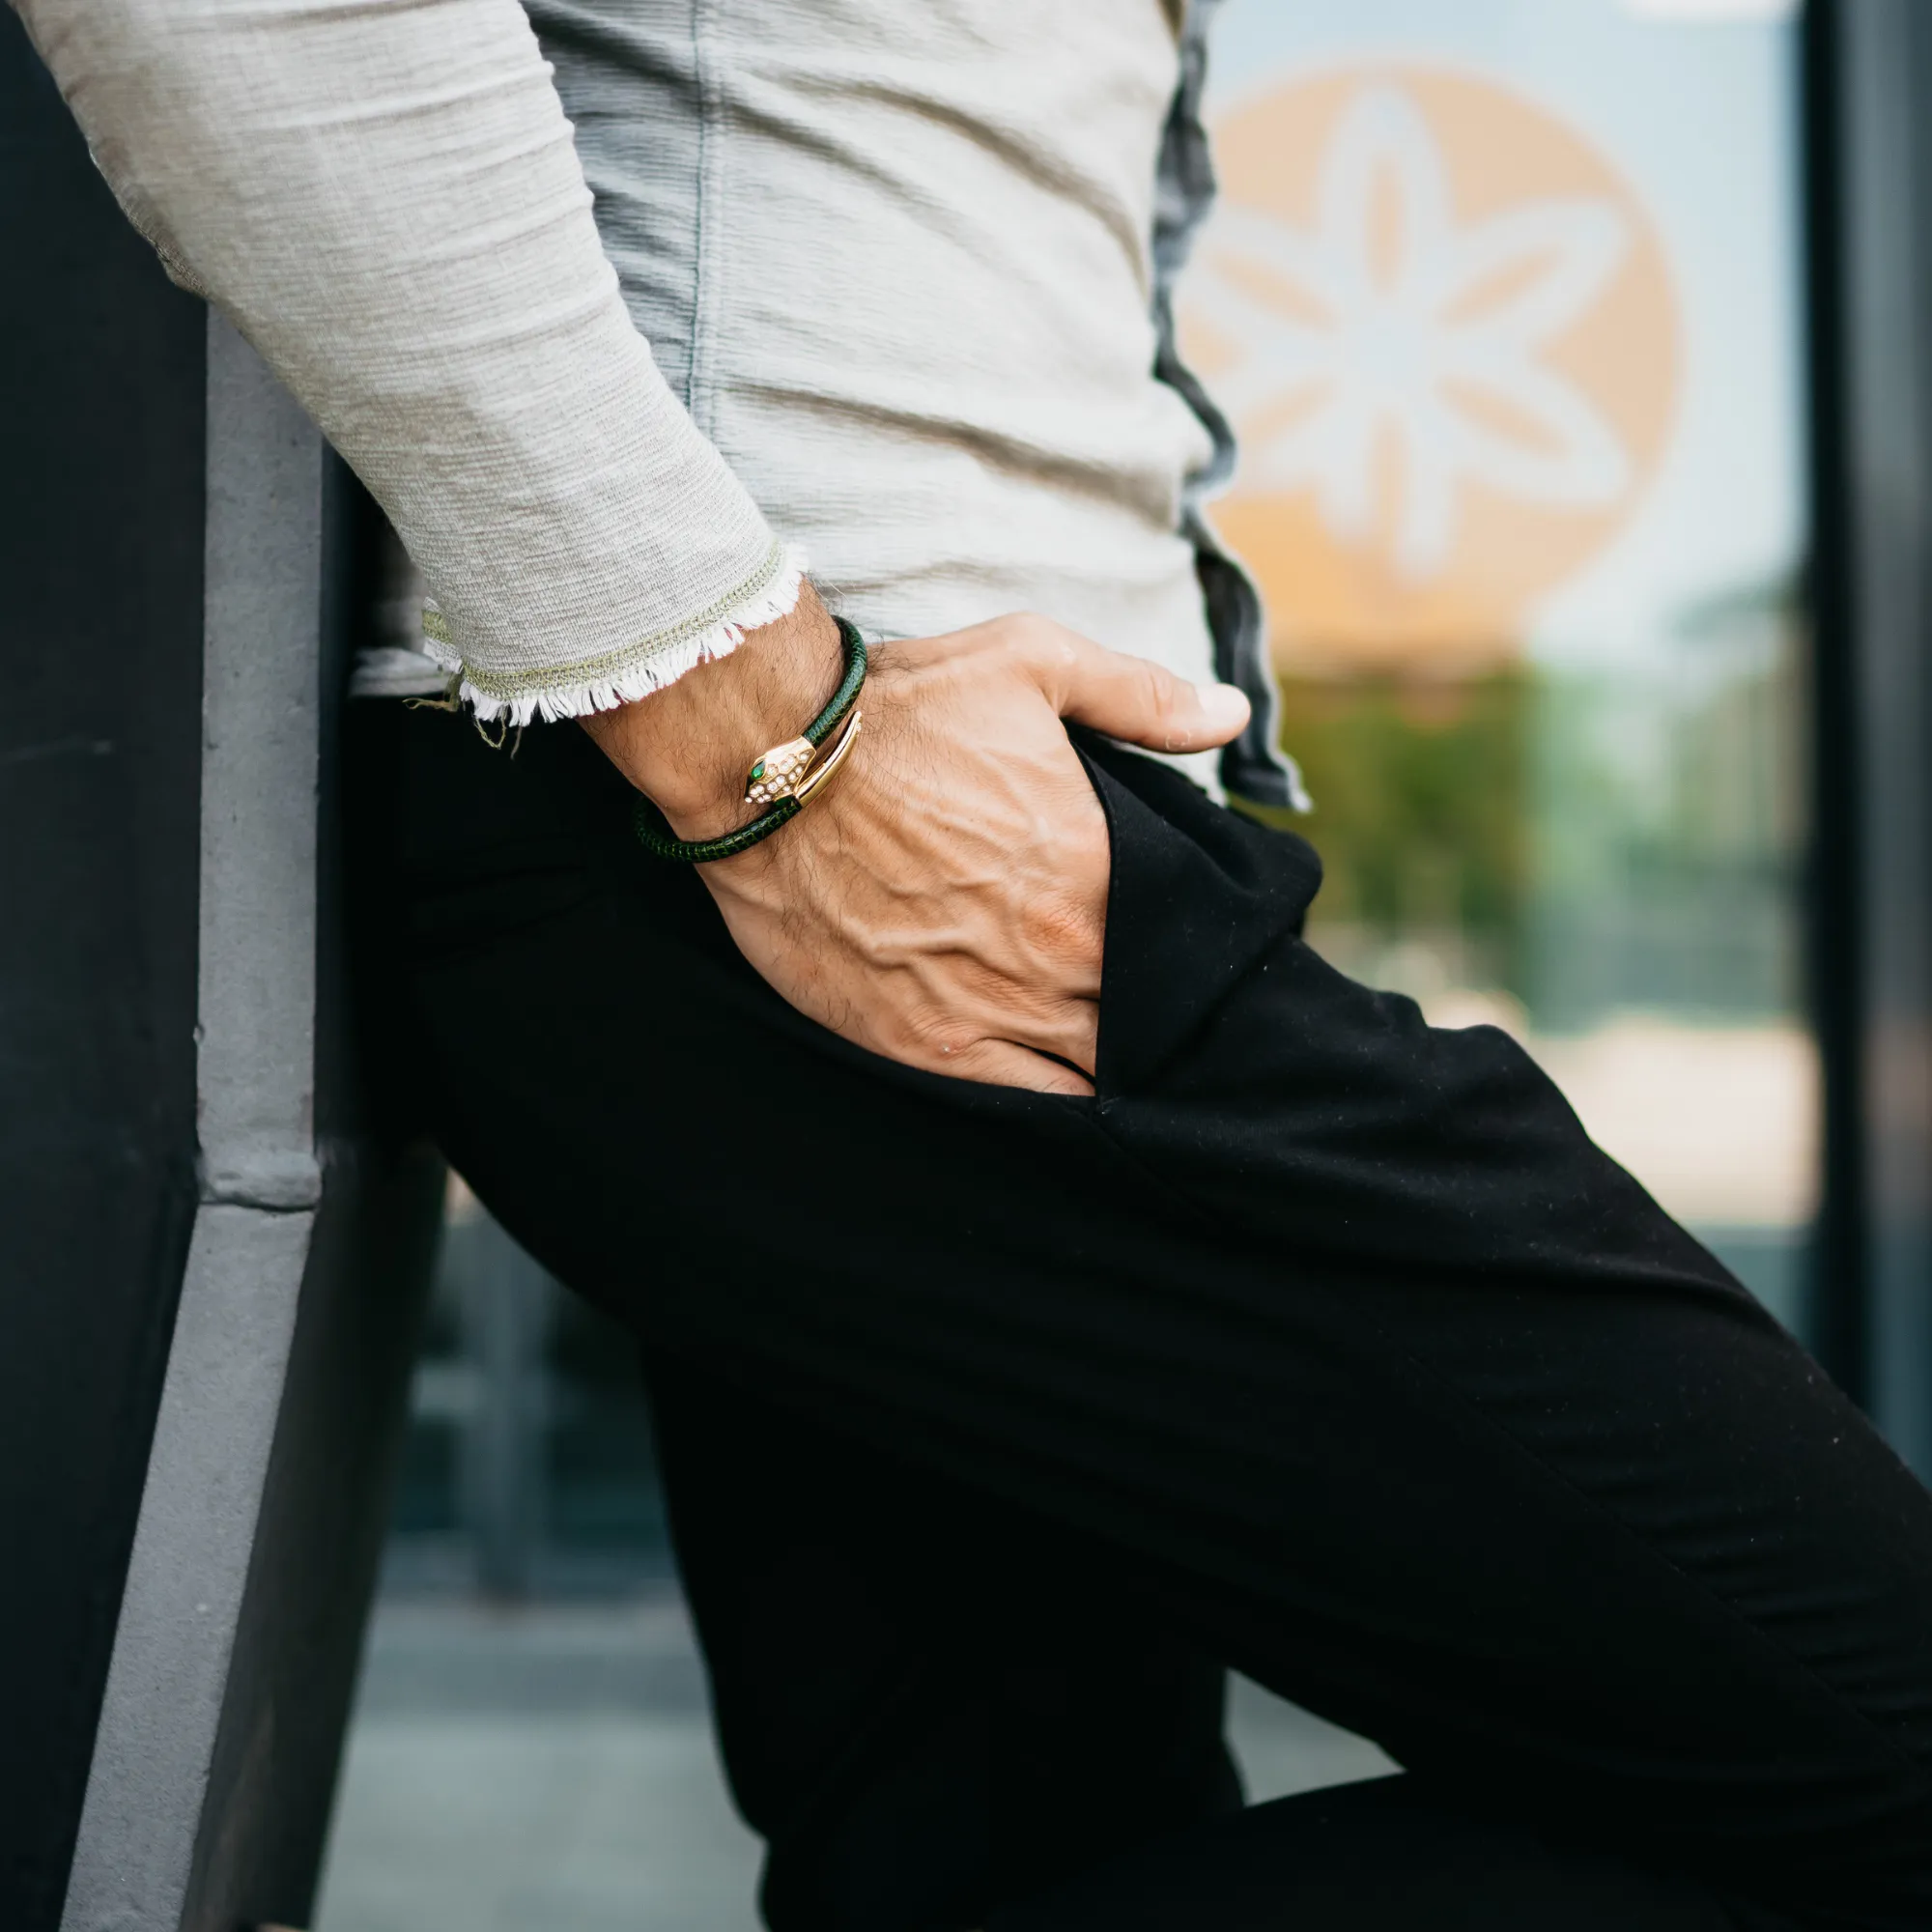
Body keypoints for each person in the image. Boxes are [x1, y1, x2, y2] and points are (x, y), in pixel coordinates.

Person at [15, 0, 1932, 1925]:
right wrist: (763, 732)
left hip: (912, 817)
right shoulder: (786, 775)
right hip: (799, 799)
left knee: (1021, 1850)